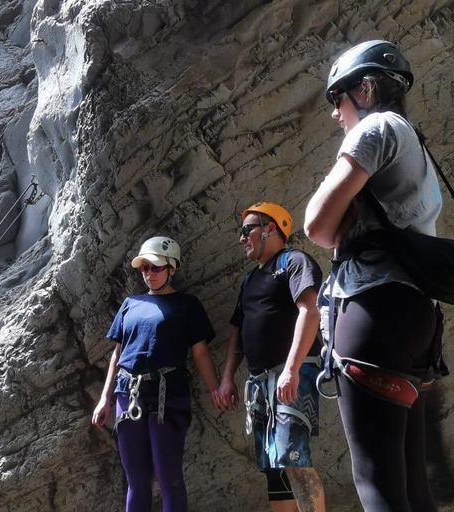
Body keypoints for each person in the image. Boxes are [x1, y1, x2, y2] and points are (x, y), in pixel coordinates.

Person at [304, 40, 441, 511]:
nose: (335, 113)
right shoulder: (416, 146)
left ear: (364, 89)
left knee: (376, 482)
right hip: (419, 318)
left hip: (372, 310)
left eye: (336, 98)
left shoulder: (377, 127)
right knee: (411, 484)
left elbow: (316, 225)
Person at [91, 236, 221, 512]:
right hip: (129, 394)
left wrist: (215, 389)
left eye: (156, 267)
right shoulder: (130, 304)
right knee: (136, 479)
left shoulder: (187, 305)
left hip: (168, 394)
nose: (148, 273)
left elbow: (199, 352)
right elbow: (117, 354)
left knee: (169, 477)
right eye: (144, 268)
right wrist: (106, 399)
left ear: (172, 269)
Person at [216, 202, 326, 512]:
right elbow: (239, 332)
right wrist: (227, 379)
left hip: (294, 372)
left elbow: (310, 310)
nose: (241, 239)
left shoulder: (294, 262)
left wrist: (291, 369)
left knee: (293, 457)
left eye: (246, 230)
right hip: (260, 383)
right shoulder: (249, 280)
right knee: (273, 468)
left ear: (270, 228)